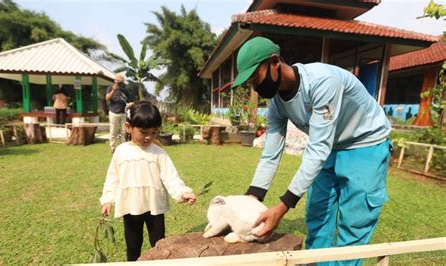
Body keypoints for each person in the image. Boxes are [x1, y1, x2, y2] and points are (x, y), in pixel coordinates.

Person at [232, 37, 391, 265]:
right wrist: (252, 198)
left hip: (365, 144)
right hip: (330, 147)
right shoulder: (277, 103)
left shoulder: (322, 82)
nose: (256, 87)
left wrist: (283, 206)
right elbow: (270, 153)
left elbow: (317, 150)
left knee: (353, 223)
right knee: (318, 215)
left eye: (256, 78)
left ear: (275, 62)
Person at [100, 101, 196, 261]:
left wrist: (182, 192)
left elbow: (170, 177)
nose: (148, 137)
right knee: (133, 246)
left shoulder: (159, 153)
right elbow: (112, 179)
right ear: (128, 127)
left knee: (159, 245)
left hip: (154, 207)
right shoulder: (121, 152)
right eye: (143, 131)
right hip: (130, 207)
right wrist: (108, 199)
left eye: (154, 132)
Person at [106, 74, 135, 153]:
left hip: (123, 113)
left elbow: (129, 100)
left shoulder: (125, 90)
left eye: (120, 82)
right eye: (117, 82)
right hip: (113, 113)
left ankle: (124, 146)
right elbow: (107, 98)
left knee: (124, 131)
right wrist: (113, 90)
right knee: (113, 131)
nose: (118, 83)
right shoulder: (110, 88)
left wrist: (130, 104)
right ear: (115, 81)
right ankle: (113, 148)